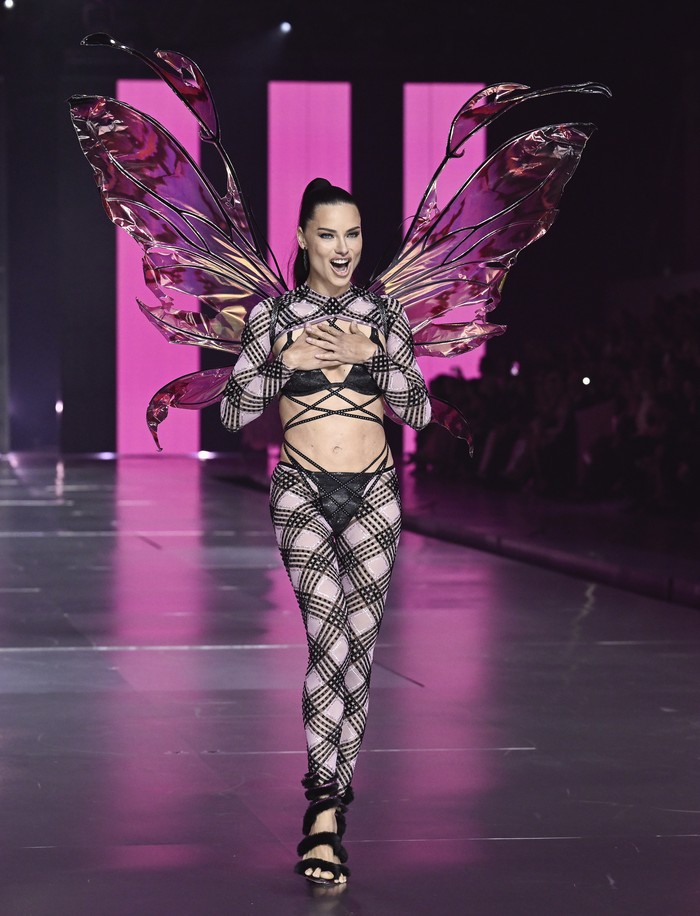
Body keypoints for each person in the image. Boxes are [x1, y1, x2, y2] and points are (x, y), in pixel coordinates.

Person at [220, 178, 432, 886]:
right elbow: (231, 413)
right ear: (305, 236)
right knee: (330, 638)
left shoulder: (386, 312)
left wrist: (372, 354)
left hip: (374, 493)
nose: (344, 249)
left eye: (354, 235)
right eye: (330, 234)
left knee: (360, 655)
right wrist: (288, 361)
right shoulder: (273, 315)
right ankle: (319, 811)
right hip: (302, 491)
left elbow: (420, 412)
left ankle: (333, 812)